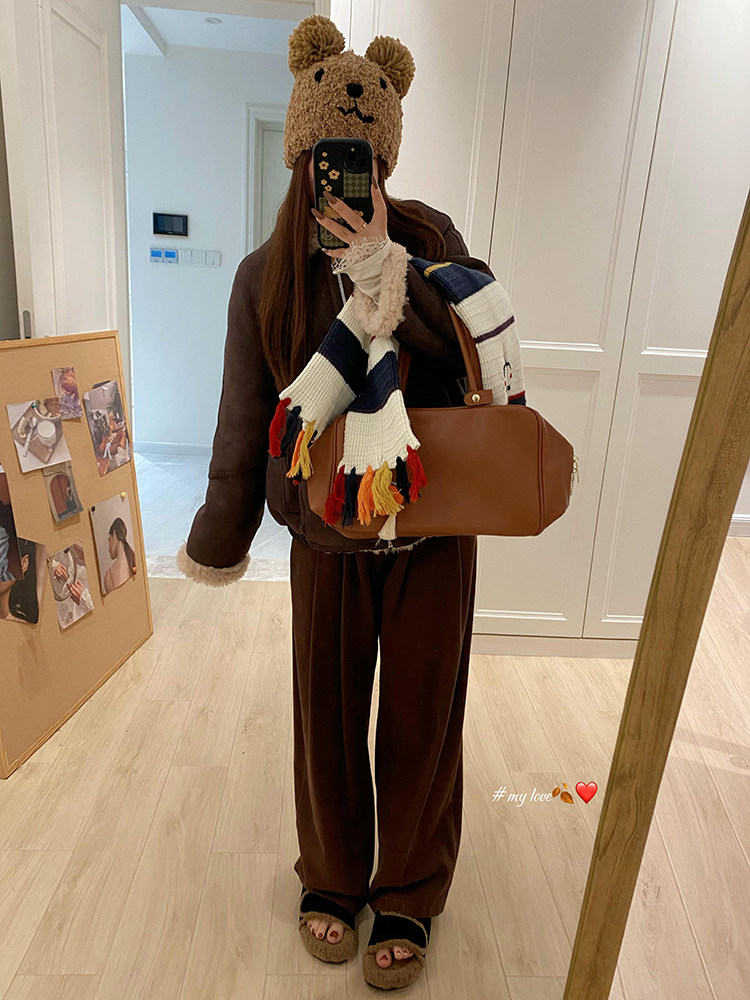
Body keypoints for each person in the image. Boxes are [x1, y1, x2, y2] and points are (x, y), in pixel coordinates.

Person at [177, 14, 521, 991]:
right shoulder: (263, 274)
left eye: (361, 156)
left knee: (422, 716)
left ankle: (408, 888)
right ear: (301, 150)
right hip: (325, 534)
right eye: (327, 153)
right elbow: (245, 415)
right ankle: (331, 876)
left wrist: (384, 266)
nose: (343, 173)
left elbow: (481, 345)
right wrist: (222, 531)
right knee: (325, 719)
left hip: (432, 528)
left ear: (384, 156)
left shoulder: (430, 235)